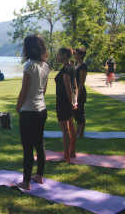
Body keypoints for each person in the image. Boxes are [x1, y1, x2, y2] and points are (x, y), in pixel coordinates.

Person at [16, 35, 50, 190]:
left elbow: (24, 90)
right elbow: (43, 90)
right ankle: (40, 176)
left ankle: (26, 181)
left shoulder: (29, 66)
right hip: (41, 109)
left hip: (28, 111)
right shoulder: (45, 66)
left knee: (28, 147)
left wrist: (18, 106)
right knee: (39, 143)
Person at [55, 48, 78, 163]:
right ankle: (72, 152)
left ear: (64, 55)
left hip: (63, 103)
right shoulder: (72, 67)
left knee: (65, 130)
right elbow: (75, 86)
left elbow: (68, 87)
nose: (57, 56)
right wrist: (75, 101)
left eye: (58, 54)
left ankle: (66, 156)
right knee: (71, 128)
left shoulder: (65, 70)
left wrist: (71, 102)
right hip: (69, 102)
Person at [73, 48, 87, 138]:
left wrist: (78, 95)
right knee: (75, 113)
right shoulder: (76, 64)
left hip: (80, 92)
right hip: (74, 91)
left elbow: (81, 82)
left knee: (80, 112)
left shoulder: (83, 66)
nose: (75, 56)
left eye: (76, 54)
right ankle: (78, 132)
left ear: (81, 55)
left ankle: (81, 133)